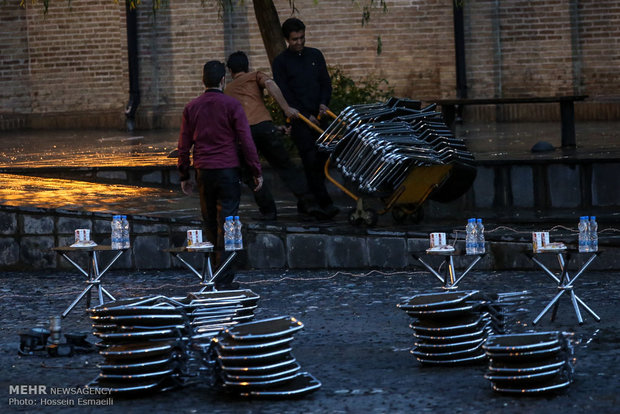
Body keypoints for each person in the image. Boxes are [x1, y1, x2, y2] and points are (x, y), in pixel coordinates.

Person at [177, 60, 263, 290]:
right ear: (223, 80)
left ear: (203, 80)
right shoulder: (232, 105)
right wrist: (256, 170)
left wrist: (184, 174)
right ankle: (224, 277)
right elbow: (246, 141)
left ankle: (213, 272)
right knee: (228, 221)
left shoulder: (191, 107)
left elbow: (184, 145)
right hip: (227, 169)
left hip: (204, 171)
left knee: (209, 222)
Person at [224, 51, 326, 221]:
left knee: (252, 174)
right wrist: (286, 108)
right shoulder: (255, 76)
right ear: (247, 65)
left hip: (243, 135)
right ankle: (310, 204)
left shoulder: (228, 90)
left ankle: (268, 211)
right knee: (286, 166)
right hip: (265, 128)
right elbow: (271, 84)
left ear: (230, 71)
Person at [272, 17, 339, 218]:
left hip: (320, 115)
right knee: (309, 158)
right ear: (287, 39)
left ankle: (309, 201)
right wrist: (305, 113)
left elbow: (325, 83)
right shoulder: (281, 62)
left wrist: (323, 103)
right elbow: (285, 92)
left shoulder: (315, 55)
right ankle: (323, 202)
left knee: (321, 158)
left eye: (301, 37)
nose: (299, 42)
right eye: (294, 39)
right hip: (299, 119)